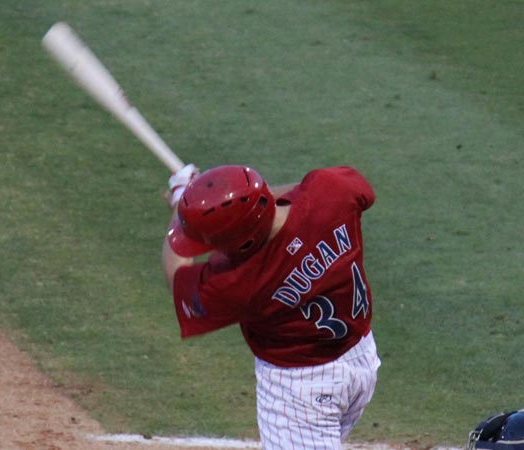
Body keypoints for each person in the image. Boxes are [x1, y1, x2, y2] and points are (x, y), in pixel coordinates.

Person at [162, 163, 381, 450]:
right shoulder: (330, 192)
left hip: (301, 393)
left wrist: (181, 205)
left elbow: (176, 273)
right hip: (361, 357)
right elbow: (303, 191)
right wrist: (235, 196)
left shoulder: (239, 283)